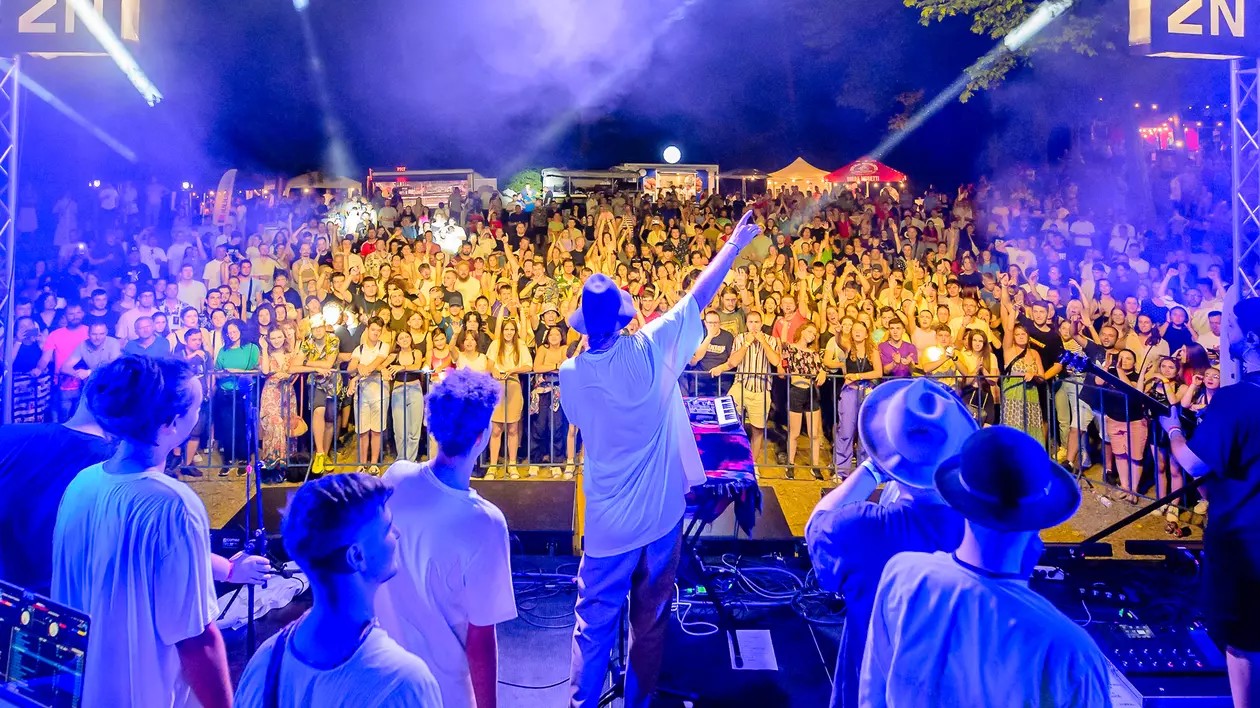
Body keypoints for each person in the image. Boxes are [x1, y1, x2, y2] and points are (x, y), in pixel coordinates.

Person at [559, 209, 761, 707]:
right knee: (649, 624)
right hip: (660, 522)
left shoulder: (572, 373)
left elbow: (580, 419)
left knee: (593, 628)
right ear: (623, 318)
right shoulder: (652, 348)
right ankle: (639, 703)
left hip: (608, 529)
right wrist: (733, 245)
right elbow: (698, 297)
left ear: (585, 325)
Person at [860, 426, 1110, 707]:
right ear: (1041, 516)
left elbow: (871, 695)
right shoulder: (1071, 652)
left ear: (959, 500)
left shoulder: (903, 576)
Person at [52, 356, 233, 708]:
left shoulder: (81, 484)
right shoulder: (172, 505)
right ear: (170, 424)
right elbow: (196, 637)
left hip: (80, 694)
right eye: (197, 407)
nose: (200, 413)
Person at [805, 378, 978, 708]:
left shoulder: (863, 528)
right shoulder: (980, 533)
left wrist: (872, 469)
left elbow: (817, 525)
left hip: (871, 692)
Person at [233, 473, 442, 707]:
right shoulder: (403, 683)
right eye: (387, 529)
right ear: (357, 556)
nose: (397, 533)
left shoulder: (264, 663)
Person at [378, 369, 517, 708]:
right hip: (444, 693)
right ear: (481, 437)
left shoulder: (395, 476)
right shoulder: (485, 523)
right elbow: (481, 637)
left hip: (383, 682)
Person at [1161, 297, 1260, 708]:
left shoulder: (1238, 398)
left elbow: (1195, 463)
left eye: (1231, 326)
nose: (1224, 334)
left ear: (1250, 336)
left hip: (1245, 540)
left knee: (1244, 640)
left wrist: (1173, 431)